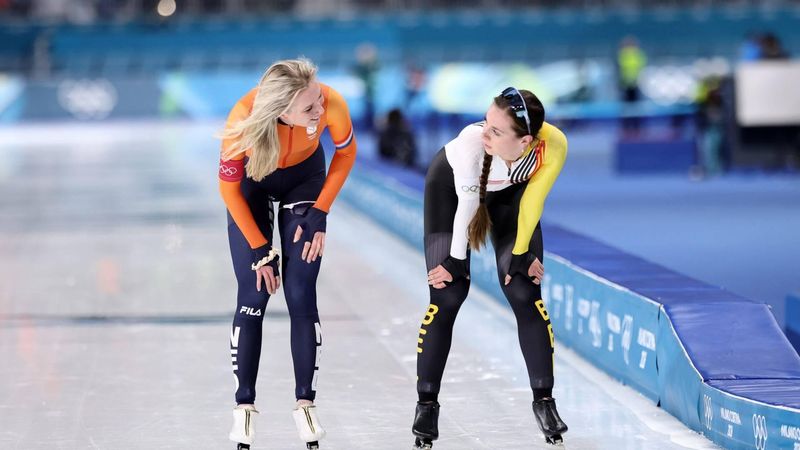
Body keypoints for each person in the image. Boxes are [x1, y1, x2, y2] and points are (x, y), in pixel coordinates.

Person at [412, 87, 568, 448]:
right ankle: (426, 405)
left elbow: (534, 198)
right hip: (451, 194)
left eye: (496, 132)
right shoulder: (471, 142)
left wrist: (522, 252)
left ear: (526, 140)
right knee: (447, 295)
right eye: (487, 122)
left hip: (510, 201)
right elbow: (468, 206)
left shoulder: (552, 144)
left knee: (523, 289)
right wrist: (453, 260)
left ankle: (544, 401)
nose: (486, 133)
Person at [218, 58, 357, 450]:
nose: (320, 110)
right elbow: (229, 192)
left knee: (300, 290)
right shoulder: (242, 118)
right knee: (254, 294)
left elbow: (346, 154)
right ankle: (244, 406)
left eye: (318, 100)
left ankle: (305, 402)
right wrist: (261, 249)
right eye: (309, 108)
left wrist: (321, 211)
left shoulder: (331, 101)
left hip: (305, 181)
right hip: (253, 184)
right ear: (281, 110)